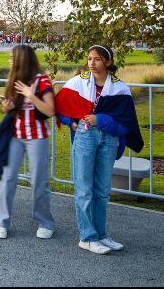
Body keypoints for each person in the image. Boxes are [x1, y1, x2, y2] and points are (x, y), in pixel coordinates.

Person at [55, 45, 144, 255]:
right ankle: (87, 237)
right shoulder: (78, 82)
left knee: (102, 190)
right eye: (89, 59)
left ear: (108, 62)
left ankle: (101, 235)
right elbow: (59, 106)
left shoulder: (120, 89)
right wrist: (71, 122)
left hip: (109, 138)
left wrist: (101, 119)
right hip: (85, 136)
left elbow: (126, 122)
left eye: (97, 59)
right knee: (84, 188)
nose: (92, 63)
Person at [0, 45, 55, 240]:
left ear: (22, 59)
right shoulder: (14, 79)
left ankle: (45, 222)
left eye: (12, 58)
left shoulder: (42, 81)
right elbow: (7, 110)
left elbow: (50, 110)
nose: (9, 61)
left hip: (37, 136)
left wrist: (31, 95)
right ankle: (1, 222)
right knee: (8, 178)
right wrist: (6, 107)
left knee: (39, 180)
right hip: (15, 136)